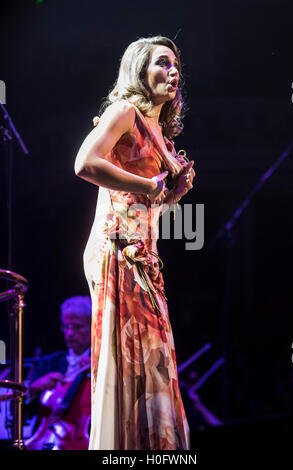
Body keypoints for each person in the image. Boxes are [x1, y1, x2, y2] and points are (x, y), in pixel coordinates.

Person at [74, 35, 196, 450]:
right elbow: (86, 163)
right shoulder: (125, 112)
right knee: (130, 366)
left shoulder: (162, 136)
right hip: (117, 250)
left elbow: (150, 205)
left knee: (154, 367)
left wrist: (171, 193)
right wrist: (151, 182)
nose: (173, 70)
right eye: (162, 63)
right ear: (140, 72)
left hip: (146, 259)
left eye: (176, 64)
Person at [24, 296, 92, 450]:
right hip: (45, 438)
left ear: (92, 326)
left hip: (83, 439)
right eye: (66, 327)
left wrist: (98, 370)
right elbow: (25, 410)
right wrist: (34, 388)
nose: (70, 333)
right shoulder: (48, 362)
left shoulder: (101, 363)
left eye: (77, 327)